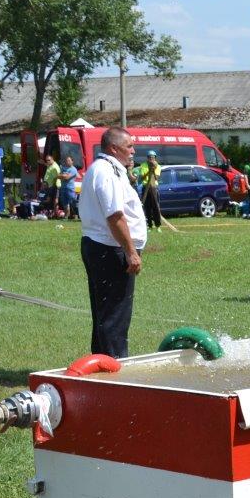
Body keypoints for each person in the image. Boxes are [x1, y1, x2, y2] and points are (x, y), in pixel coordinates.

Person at [79, 127, 146, 358]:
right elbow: (115, 216)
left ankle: (102, 364)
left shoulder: (105, 169)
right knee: (115, 315)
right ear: (114, 148)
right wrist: (131, 252)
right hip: (110, 248)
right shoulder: (106, 172)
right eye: (129, 146)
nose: (133, 151)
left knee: (106, 312)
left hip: (102, 246)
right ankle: (116, 366)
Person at [131, 150, 163, 229]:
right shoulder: (143, 165)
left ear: (155, 158)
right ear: (147, 158)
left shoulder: (158, 166)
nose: (151, 159)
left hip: (154, 187)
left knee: (156, 206)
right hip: (145, 187)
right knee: (147, 206)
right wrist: (149, 170)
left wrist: (153, 169)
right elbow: (142, 177)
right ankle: (149, 225)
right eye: (149, 157)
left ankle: (158, 225)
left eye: (152, 157)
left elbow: (156, 178)